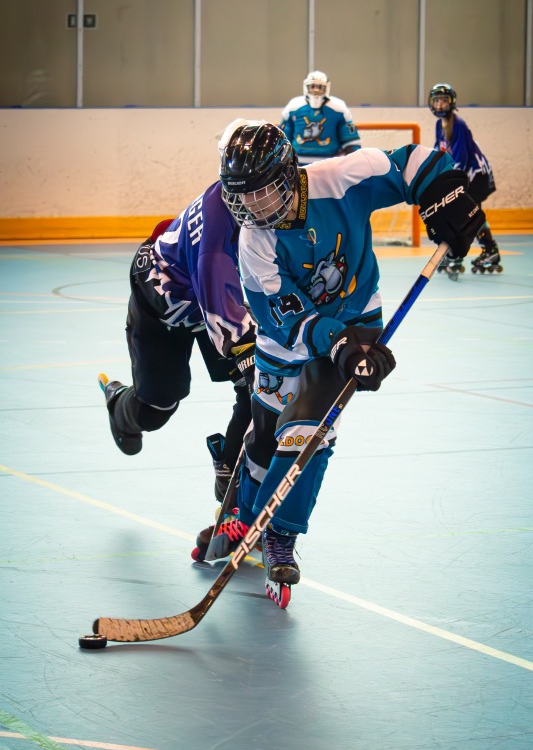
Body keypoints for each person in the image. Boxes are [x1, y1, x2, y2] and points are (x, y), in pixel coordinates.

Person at [196, 120, 484, 606]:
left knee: (308, 430)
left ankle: (280, 534)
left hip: (356, 319)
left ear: (288, 175)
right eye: (242, 198)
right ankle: (243, 514)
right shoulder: (254, 242)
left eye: (262, 193)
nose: (254, 208)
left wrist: (448, 194)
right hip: (289, 340)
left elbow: (412, 162)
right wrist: (337, 344)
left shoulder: (342, 177)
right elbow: (289, 319)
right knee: (264, 439)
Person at [99, 178, 256, 502]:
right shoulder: (215, 246)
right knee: (156, 409)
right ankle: (119, 405)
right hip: (162, 301)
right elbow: (224, 312)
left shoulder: (260, 203)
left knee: (256, 389)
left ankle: (230, 474)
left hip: (211, 296)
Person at [428, 82, 502, 278]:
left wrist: (450, 183)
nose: (440, 105)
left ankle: (468, 253)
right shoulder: (439, 125)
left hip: (475, 175)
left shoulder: (458, 125)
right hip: (466, 174)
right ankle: (487, 251)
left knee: (466, 215)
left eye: (444, 101)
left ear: (451, 102)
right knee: (467, 215)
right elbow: (439, 153)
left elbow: (461, 159)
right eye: (437, 101)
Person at [279, 70, 361, 164]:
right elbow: (282, 138)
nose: (316, 90)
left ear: (327, 88)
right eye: (312, 86)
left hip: (330, 163)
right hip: (297, 163)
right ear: (306, 87)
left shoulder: (339, 109)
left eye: (320, 87)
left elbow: (351, 140)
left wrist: (353, 162)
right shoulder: (293, 107)